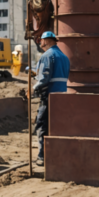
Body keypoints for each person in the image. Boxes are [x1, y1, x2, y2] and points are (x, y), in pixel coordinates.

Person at [31, 31, 71, 167]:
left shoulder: (47, 55)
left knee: (42, 126)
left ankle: (42, 156)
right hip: (62, 97)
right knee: (57, 127)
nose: (40, 43)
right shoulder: (64, 57)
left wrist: (33, 89)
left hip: (48, 97)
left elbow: (44, 78)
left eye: (40, 40)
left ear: (46, 41)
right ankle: (58, 155)